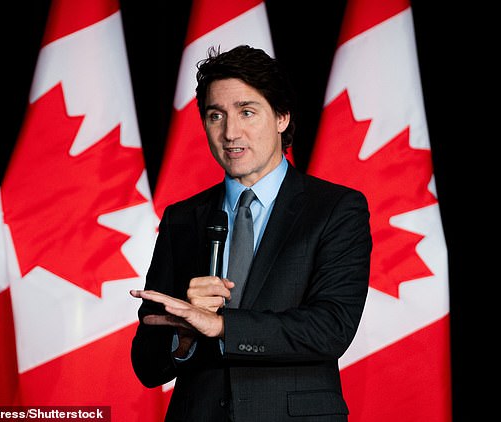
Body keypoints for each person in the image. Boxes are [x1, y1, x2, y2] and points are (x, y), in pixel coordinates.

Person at [130, 45, 372, 422]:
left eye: (246, 112)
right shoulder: (182, 218)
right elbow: (146, 364)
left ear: (281, 117)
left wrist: (224, 326)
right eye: (216, 115)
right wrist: (185, 339)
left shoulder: (335, 209)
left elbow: (331, 328)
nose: (230, 132)